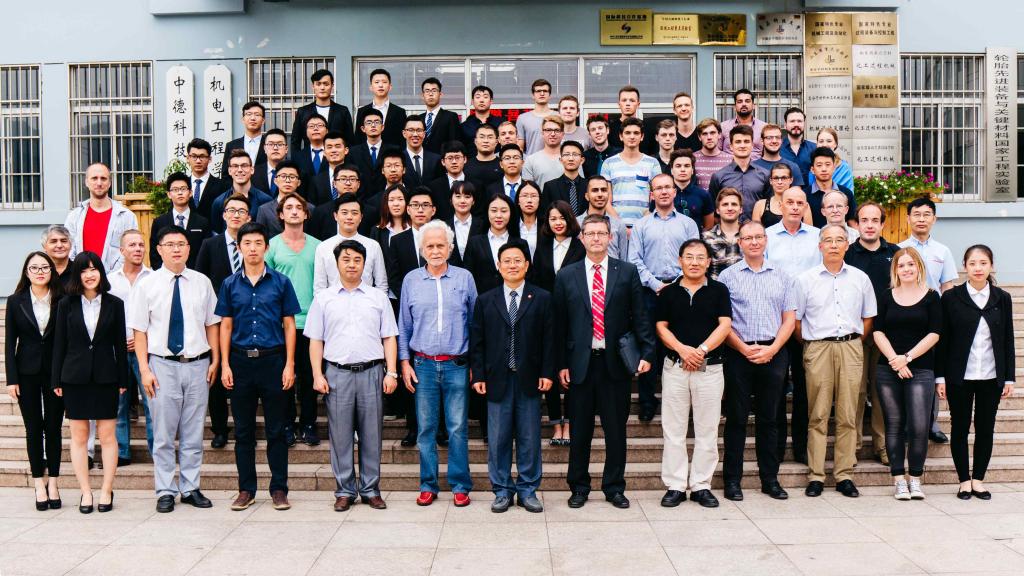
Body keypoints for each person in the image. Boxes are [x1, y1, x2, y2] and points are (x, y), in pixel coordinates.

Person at [554, 214, 655, 509]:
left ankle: (614, 487)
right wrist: (561, 364)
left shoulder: (627, 272)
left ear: (611, 238)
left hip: (615, 364)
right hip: (580, 364)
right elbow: (559, 324)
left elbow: (640, 316)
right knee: (580, 431)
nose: (596, 238)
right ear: (581, 238)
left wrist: (647, 353)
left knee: (615, 431)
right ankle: (579, 487)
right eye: (591, 233)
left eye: (601, 233)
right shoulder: (567, 275)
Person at [128, 225, 220, 513]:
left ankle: (191, 487)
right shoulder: (146, 285)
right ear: (159, 250)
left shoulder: (202, 282)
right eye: (170, 244)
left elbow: (212, 324)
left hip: (198, 364)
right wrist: (144, 369)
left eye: (181, 244)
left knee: (193, 432)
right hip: (162, 365)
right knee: (164, 433)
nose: (176, 249)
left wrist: (215, 359)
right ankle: (165, 489)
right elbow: (139, 331)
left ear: (189, 249)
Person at [306, 239, 399, 512]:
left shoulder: (377, 297)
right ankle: (345, 490)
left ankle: (371, 489)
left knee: (372, 434)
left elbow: (389, 337)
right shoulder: (324, 299)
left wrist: (391, 372)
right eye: (346, 259)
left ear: (364, 264)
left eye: (357, 260)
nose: (351, 265)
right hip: (337, 373)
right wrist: (317, 374)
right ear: (337, 264)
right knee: (340, 435)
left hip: (372, 372)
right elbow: (316, 340)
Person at [217, 222, 301, 512]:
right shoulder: (230, 284)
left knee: (277, 430)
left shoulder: (281, 282)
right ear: (239, 247)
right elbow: (225, 326)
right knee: (243, 431)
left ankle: (279, 489)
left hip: (273, 361)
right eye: (247, 243)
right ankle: (246, 489)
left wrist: (289, 364)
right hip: (240, 362)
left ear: (266, 247)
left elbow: (289, 325)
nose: (252, 248)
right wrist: (225, 364)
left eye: (257, 243)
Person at [398, 220, 478, 507]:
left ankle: (460, 485)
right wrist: (404, 362)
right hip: (423, 366)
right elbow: (404, 325)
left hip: (457, 364)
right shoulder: (411, 280)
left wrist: (475, 363)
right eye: (430, 246)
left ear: (450, 248)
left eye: (440, 245)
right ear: (422, 249)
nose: (435, 251)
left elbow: (475, 323)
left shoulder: (464, 278)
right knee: (426, 429)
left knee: (457, 428)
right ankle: (428, 484)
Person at [470, 240, 554, 513]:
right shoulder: (486, 300)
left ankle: (528, 490)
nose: (512, 265)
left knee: (529, 438)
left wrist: (547, 372)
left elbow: (549, 340)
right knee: (498, 439)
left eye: (518, 260)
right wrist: (478, 375)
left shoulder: (542, 298)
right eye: (507, 261)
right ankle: (502, 490)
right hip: (497, 379)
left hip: (529, 378)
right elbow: (477, 342)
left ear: (527, 265)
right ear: (498, 265)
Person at [795, 224, 877, 498]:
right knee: (818, 414)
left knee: (848, 414)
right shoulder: (805, 280)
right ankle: (816, 475)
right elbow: (796, 321)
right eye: (828, 240)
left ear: (846, 245)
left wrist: (853, 342)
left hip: (851, 347)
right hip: (818, 348)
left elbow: (868, 317)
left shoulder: (860, 278)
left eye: (839, 240)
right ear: (820, 246)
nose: (833, 245)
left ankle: (844, 475)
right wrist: (812, 346)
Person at [719, 221, 797, 501]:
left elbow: (789, 319)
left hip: (773, 352)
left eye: (758, 237)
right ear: (739, 242)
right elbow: (723, 322)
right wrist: (743, 348)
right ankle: (732, 481)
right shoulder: (727, 277)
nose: (753, 242)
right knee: (736, 418)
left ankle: (770, 479)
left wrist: (772, 349)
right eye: (747, 238)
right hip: (738, 353)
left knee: (770, 418)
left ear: (766, 240)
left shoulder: (783, 276)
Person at [52, 251, 130, 513]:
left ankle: (106, 489)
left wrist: (123, 378)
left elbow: (120, 344)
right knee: (79, 436)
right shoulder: (66, 304)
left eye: (93, 269)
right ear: (77, 275)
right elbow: (59, 344)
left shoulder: (115, 304)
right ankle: (85, 491)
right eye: (84, 270)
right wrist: (56, 379)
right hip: (74, 378)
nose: (89, 274)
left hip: (106, 377)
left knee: (107, 435)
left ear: (101, 272)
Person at [657, 239, 732, 509]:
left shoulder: (719, 290)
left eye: (701, 257)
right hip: (675, 367)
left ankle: (701, 485)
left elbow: (725, 325)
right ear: (680, 260)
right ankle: (676, 485)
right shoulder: (668, 292)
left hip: (709, 368)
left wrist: (700, 350)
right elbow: (661, 327)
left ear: (709, 262)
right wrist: (682, 349)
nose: (695, 262)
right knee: (673, 429)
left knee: (707, 429)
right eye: (689, 257)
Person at [937, 245, 1015, 500]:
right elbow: (943, 340)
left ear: (991, 266)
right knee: (960, 428)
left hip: (991, 376)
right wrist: (940, 377)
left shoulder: (1002, 298)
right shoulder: (951, 297)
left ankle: (978, 480)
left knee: (985, 428)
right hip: (960, 376)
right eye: (972, 263)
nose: (978, 268)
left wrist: (1009, 377)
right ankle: (963, 481)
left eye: (983, 263)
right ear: (964, 267)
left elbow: (1008, 339)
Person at [872, 247, 942, 500]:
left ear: (919, 267)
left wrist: (907, 358)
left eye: (911, 264)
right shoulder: (886, 296)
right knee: (893, 425)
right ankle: (899, 480)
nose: (906, 269)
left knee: (919, 426)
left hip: (921, 368)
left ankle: (915, 479)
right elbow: (877, 331)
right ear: (895, 270)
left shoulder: (932, 297)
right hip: (888, 368)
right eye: (901, 265)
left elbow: (935, 333)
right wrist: (895, 360)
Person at [629, 173, 699, 422]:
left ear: (674, 191)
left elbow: (695, 256)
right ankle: (647, 402)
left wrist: (677, 282)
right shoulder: (641, 225)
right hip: (650, 291)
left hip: (682, 290)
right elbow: (634, 260)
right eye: (658, 188)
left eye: (668, 187)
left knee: (682, 343)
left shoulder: (688, 224)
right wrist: (658, 285)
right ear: (652, 194)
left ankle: (682, 401)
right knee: (649, 345)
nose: (664, 191)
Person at [765, 187, 820, 464]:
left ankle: (801, 446)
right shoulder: (768, 236)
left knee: (803, 387)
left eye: (800, 203)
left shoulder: (817, 236)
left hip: (808, 320)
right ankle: (775, 447)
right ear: (781, 205)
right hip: (776, 319)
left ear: (806, 206)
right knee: (775, 386)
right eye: (790, 202)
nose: (795, 207)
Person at [6, 252, 64, 510]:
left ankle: (54, 483)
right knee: (33, 428)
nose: (40, 272)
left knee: (53, 427)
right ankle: (39, 483)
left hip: (55, 373)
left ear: (51, 271)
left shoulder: (62, 299)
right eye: (34, 268)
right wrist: (11, 379)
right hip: (26, 372)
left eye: (44, 267)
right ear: (26, 272)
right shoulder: (15, 301)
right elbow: (9, 343)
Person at [845, 202, 901, 465]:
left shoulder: (895, 253)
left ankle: (883, 446)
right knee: (855, 392)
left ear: (882, 224)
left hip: (886, 335)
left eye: (874, 220)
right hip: (855, 333)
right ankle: (852, 447)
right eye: (864, 220)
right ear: (856, 224)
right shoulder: (848, 253)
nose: (869, 225)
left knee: (882, 393)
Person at [900, 196, 957, 444]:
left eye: (926, 214)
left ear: (934, 219)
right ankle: (905, 423)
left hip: (932, 322)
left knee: (933, 372)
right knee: (905, 370)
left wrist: (947, 321)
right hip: (906, 319)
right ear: (908, 218)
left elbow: (947, 288)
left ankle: (931, 424)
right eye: (916, 214)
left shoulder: (942, 251)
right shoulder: (899, 249)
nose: (921, 219)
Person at [196, 193, 251, 449]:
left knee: (243, 374)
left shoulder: (254, 243)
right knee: (217, 373)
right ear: (223, 215)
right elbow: (201, 280)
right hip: (217, 319)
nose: (236, 215)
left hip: (248, 317)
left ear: (248, 217)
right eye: (232, 210)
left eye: (241, 211)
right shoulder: (210, 244)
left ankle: (244, 427)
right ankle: (219, 428)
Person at [266, 194, 322, 448]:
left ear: (306, 214)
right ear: (280, 214)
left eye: (299, 207)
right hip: (283, 323)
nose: (294, 211)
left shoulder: (318, 246)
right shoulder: (272, 246)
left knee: (309, 376)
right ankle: (287, 424)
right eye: (288, 207)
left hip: (311, 322)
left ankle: (309, 424)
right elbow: (267, 284)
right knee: (284, 377)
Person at [530, 201, 585, 446]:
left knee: (572, 368)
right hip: (547, 314)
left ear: (569, 219)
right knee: (550, 366)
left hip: (574, 315)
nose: (558, 223)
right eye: (553, 218)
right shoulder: (542, 246)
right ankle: (556, 424)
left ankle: (570, 423)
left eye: (562, 217)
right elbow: (535, 279)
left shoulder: (580, 246)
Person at [109, 230, 153, 466]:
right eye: (132, 245)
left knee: (152, 403)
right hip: (117, 350)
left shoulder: (154, 278)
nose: (138, 249)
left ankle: (157, 451)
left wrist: (143, 339)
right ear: (122, 250)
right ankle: (122, 452)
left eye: (141, 245)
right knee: (119, 404)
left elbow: (160, 316)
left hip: (145, 350)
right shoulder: (110, 281)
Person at [65, 162, 139, 272]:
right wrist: (79, 274)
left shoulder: (127, 217)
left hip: (115, 279)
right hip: (82, 278)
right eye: (94, 178)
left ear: (109, 183)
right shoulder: (74, 217)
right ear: (86, 182)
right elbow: (69, 250)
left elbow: (130, 250)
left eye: (103, 178)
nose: (99, 183)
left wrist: (111, 277)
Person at [314, 192, 388, 294]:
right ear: (335, 216)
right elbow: (319, 288)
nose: (349, 217)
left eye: (354, 213)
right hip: (334, 302)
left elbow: (382, 285)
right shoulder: (323, 247)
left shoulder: (373, 246)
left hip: (366, 302)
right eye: (344, 213)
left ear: (361, 217)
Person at [601, 117, 661, 228]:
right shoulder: (608, 163)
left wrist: (640, 225)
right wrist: (621, 226)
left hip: (646, 225)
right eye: (627, 133)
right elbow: (605, 199)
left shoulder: (653, 163)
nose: (632, 136)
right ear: (621, 136)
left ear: (642, 136)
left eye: (636, 133)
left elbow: (657, 196)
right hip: (615, 226)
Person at [464, 194, 522, 304]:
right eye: (494, 211)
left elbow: (526, 275)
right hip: (481, 301)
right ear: (487, 212)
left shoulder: (520, 243)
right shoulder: (474, 242)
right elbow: (468, 275)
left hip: (513, 302)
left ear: (511, 213)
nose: (498, 215)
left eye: (504, 211)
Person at [708, 125, 771, 222]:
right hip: (729, 229)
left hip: (757, 229)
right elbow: (714, 211)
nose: (742, 145)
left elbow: (769, 207)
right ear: (731, 146)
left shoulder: (765, 175)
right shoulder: (718, 176)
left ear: (752, 145)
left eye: (746, 141)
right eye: (738, 142)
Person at [150, 172, 210, 269]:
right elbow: (154, 254)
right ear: (169, 194)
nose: (180, 193)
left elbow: (207, 254)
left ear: (190, 192)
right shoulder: (159, 222)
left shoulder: (203, 222)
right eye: (175, 190)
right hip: (167, 275)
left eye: (183, 189)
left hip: (195, 274)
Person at [209, 149, 273, 234]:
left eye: (244, 166)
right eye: (235, 166)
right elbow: (217, 233)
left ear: (252, 170)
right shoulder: (219, 202)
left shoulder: (265, 200)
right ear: (229, 171)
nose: (239, 170)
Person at [290, 68, 354, 153]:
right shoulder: (303, 112)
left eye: (326, 84)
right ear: (313, 86)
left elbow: (350, 140)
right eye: (318, 84)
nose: (322, 87)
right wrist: (298, 159)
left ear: (332, 86)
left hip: (337, 158)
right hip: (311, 159)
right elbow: (295, 141)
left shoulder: (342, 111)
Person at [255, 160, 313, 237]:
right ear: (275, 181)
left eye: (292, 177)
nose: (287, 180)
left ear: (299, 182)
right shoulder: (264, 210)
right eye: (283, 176)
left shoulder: (309, 208)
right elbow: (259, 237)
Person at [577, 175, 629, 260]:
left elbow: (624, 258)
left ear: (608, 194)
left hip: (613, 268)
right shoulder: (576, 224)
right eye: (595, 190)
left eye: (604, 190)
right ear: (587, 196)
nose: (600, 194)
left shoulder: (618, 224)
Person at [803, 146, 857, 228]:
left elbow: (853, 223)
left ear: (834, 168)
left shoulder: (846, 193)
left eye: (828, 165)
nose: (824, 169)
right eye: (819, 165)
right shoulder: (804, 195)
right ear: (812, 169)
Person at [354, 68, 407, 148]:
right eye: (377, 82)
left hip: (392, 154)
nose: (380, 85)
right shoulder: (362, 111)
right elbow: (358, 139)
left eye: (384, 82)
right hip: (367, 154)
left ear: (390, 87)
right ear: (371, 87)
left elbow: (403, 140)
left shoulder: (399, 112)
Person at [666, 148, 714, 232]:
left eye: (687, 166)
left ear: (692, 170)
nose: (682, 169)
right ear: (672, 170)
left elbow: (709, 226)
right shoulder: (663, 194)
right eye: (678, 166)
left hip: (695, 239)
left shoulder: (703, 195)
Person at [752, 163, 811, 228]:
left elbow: (809, 231)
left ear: (791, 180)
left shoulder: (802, 205)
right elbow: (755, 232)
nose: (779, 182)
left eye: (784, 178)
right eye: (776, 178)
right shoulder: (760, 205)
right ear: (771, 181)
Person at [702, 188, 744, 280]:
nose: (730, 208)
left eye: (734, 204)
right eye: (725, 204)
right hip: (716, 287)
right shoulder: (706, 237)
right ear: (717, 210)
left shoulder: (749, 236)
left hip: (744, 286)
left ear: (741, 209)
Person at [220, 101, 268, 178]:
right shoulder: (231, 145)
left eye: (257, 115)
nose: (252, 118)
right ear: (243, 119)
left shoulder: (269, 145)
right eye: (249, 114)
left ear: (263, 120)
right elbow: (225, 175)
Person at [445, 181, 486, 267]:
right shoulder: (443, 227)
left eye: (467, 197)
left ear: (473, 201)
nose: (462, 201)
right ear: (451, 200)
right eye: (458, 196)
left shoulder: (483, 225)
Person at [184, 138, 227, 221]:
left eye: (202, 156)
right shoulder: (182, 186)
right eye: (194, 156)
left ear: (209, 159)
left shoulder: (222, 186)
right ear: (188, 158)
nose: (198, 161)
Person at [542, 140, 587, 217]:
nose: (571, 158)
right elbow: (545, 215)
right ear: (561, 160)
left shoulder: (588, 185)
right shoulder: (550, 186)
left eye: (575, 154)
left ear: (582, 160)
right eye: (566, 154)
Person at [305, 131, 350, 207]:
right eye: (329, 147)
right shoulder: (316, 181)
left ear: (346, 150)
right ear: (324, 152)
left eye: (337, 146)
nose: (333, 150)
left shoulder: (357, 176)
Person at [427, 141, 469, 222]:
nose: (454, 162)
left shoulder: (476, 185)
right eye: (450, 158)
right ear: (443, 162)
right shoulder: (433, 187)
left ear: (465, 159)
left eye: (457, 157)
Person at [348, 109, 388, 194]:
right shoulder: (353, 152)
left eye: (377, 122)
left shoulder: (392, 150)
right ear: (363, 128)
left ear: (382, 127)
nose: (373, 125)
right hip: (361, 198)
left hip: (386, 197)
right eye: (369, 123)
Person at [522, 115, 568, 189]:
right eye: (548, 130)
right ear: (542, 133)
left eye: (557, 130)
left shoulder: (571, 159)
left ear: (562, 134)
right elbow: (528, 191)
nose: (553, 134)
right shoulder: (531, 160)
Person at [720, 89, 767, 158]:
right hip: (729, 164)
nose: (744, 104)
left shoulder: (764, 127)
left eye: (747, 101)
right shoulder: (723, 127)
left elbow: (768, 154)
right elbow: (717, 152)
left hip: (756, 164)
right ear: (734, 107)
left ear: (753, 106)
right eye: (740, 101)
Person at [420, 77, 460, 154]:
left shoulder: (451, 117)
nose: (430, 94)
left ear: (440, 94)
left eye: (434, 91)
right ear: (422, 95)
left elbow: (454, 144)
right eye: (427, 91)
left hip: (442, 159)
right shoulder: (419, 119)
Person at [692, 118, 734, 191]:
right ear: (699, 137)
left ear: (719, 135)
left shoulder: (730, 160)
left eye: (712, 133)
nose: (709, 137)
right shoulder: (692, 159)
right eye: (705, 134)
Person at [402, 116, 442, 190]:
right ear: (404, 133)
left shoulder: (436, 159)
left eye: (419, 130)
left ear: (424, 134)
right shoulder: (399, 159)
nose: (415, 134)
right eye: (411, 130)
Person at [293, 114, 330, 195]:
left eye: (320, 125)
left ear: (327, 131)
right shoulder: (297, 156)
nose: (316, 128)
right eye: (311, 126)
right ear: (306, 132)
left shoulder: (334, 154)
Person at [516, 79, 554, 154]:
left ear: (550, 95)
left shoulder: (559, 117)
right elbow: (519, 147)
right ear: (533, 95)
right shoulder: (522, 118)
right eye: (538, 91)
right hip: (531, 160)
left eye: (545, 91)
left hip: (555, 160)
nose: (542, 93)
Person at [779, 107, 816, 184]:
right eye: (792, 121)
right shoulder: (777, 149)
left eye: (799, 121)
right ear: (785, 125)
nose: (796, 124)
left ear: (804, 124)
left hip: (809, 191)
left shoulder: (814, 148)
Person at [461, 85, 502, 153]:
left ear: (491, 101)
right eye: (478, 97)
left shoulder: (500, 124)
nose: (481, 100)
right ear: (472, 101)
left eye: (485, 97)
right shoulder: (464, 126)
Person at [464, 123, 503, 195]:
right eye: (482, 137)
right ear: (475, 141)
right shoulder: (466, 166)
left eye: (490, 137)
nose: (486, 141)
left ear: (496, 142)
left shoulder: (503, 165)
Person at [252, 129, 289, 199]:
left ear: (286, 149)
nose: (275, 148)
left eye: (280, 144)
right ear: (265, 149)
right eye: (271, 144)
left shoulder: (295, 173)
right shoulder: (253, 172)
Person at [815, 127, 853, 191]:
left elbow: (849, 193)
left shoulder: (844, 168)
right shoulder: (813, 167)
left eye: (829, 141)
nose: (824, 145)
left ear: (835, 144)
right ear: (817, 144)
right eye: (821, 141)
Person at [607, 85, 644, 150]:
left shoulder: (647, 128)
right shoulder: (609, 129)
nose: (627, 104)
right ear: (619, 104)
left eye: (632, 100)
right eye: (624, 100)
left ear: (638, 105)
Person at [516, 182, 543, 257]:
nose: (529, 200)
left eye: (533, 196)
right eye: (525, 196)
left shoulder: (547, 226)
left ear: (539, 200)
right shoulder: (511, 226)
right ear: (518, 200)